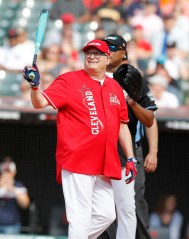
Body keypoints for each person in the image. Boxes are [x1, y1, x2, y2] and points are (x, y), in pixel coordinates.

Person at [23, 39, 137, 239]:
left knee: (107, 214)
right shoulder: (70, 80)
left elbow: (122, 125)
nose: (92, 56)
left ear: (107, 58)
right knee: (80, 217)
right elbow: (39, 103)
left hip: (104, 163)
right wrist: (35, 86)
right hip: (77, 159)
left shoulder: (115, 88)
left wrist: (130, 157)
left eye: (97, 53)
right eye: (88, 53)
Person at [99, 34, 158, 239]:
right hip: (101, 150)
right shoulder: (96, 76)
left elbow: (150, 118)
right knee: (103, 204)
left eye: (112, 48)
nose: (107, 51)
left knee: (134, 202)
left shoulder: (132, 76)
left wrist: (154, 151)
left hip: (130, 149)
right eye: (105, 48)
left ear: (124, 52)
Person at [0, 156, 30, 234]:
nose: (6, 173)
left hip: (11, 227)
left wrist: (12, 188)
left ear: (14, 172)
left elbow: (25, 204)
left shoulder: (18, 185)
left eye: (9, 171)